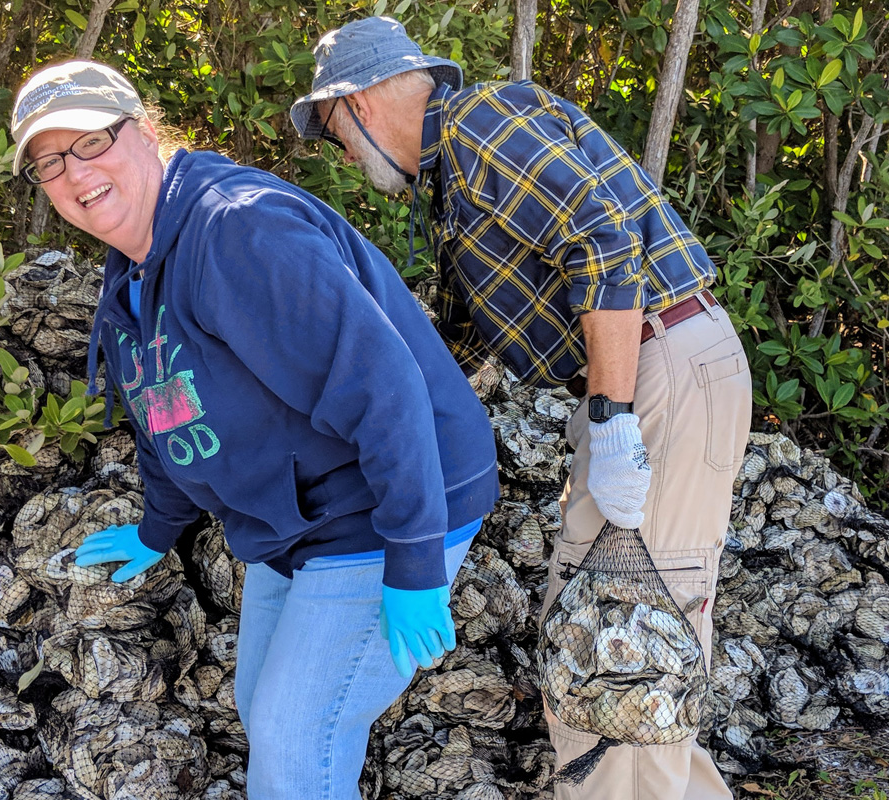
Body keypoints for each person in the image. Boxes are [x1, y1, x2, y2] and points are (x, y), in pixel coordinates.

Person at [9, 59, 499, 800]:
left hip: (382, 504)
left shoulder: (237, 230)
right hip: (295, 521)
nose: (76, 173)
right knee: (263, 714)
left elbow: (384, 384)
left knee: (299, 739)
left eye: (91, 143)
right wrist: (156, 527)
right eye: (50, 162)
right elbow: (165, 410)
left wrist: (415, 557)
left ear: (142, 133)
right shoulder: (135, 270)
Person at [292, 16, 751, 800]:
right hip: (643, 366)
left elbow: (603, 239)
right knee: (624, 641)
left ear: (358, 104)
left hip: (651, 367)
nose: (341, 154)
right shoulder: (456, 177)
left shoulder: (483, 124)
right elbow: (459, 348)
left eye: (331, 133)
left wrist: (610, 416)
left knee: (615, 648)